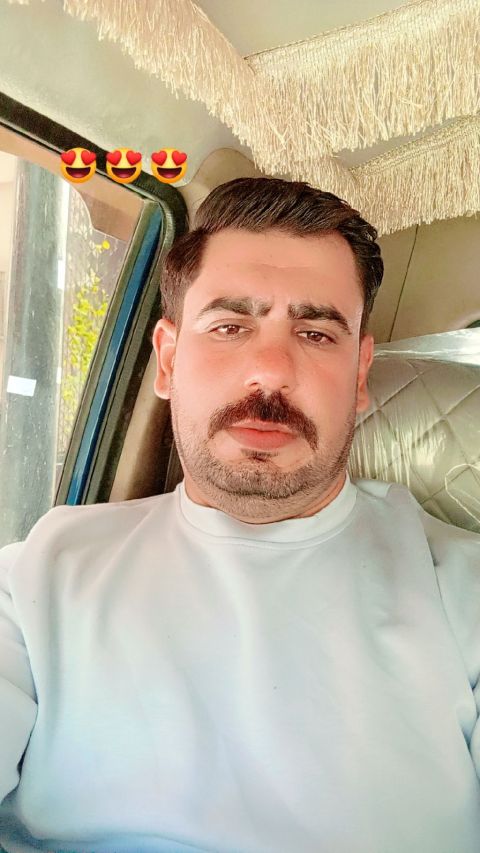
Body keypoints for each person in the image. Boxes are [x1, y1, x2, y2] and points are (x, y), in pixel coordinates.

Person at [0, 177, 479, 853]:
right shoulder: (42, 572)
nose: (271, 371)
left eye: (316, 332)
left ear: (359, 374)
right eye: (229, 327)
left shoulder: (464, 590)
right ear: (168, 360)